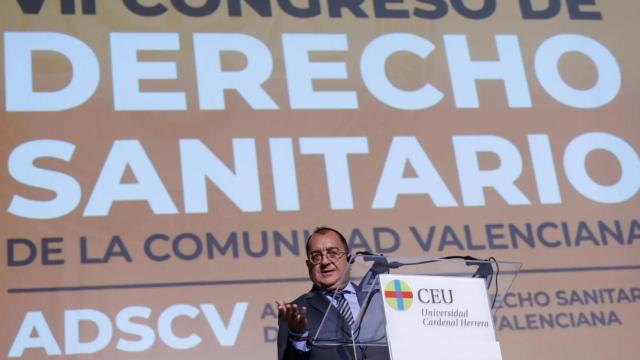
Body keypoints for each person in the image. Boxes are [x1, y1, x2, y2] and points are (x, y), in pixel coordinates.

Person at [276, 227, 389, 360]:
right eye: (316, 256)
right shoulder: (296, 312)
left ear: (348, 259)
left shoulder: (379, 299)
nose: (324, 261)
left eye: (333, 253)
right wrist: (298, 336)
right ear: (309, 266)